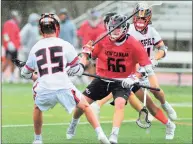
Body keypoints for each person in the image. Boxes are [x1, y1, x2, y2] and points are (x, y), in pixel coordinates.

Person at [66, 14, 162, 144]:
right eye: (112, 28)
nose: (114, 31)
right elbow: (92, 57)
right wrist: (86, 53)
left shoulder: (134, 43)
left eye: (117, 28)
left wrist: (134, 77)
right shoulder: (103, 39)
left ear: (125, 29)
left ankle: (114, 136)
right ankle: (73, 123)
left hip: (122, 81)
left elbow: (146, 66)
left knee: (120, 104)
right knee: (82, 105)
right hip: (102, 79)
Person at [90, 2, 177, 140]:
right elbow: (113, 45)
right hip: (131, 71)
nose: (140, 21)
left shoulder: (152, 31)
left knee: (155, 89)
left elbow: (163, 50)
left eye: (143, 19)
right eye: (138, 18)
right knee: (148, 104)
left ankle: (166, 105)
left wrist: (154, 59)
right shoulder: (127, 30)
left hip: (146, 67)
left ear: (148, 18)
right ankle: (169, 124)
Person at [20, 13, 110, 144]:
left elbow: (25, 74)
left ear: (41, 30)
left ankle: (38, 140)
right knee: (85, 106)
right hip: (63, 86)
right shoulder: (65, 45)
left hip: (44, 88)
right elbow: (78, 70)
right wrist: (85, 55)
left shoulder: (35, 48)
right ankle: (101, 134)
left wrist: (32, 74)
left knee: (37, 108)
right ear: (56, 28)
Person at [77, 9, 106, 81]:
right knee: (89, 64)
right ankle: (91, 80)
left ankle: (98, 79)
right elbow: (79, 36)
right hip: (88, 49)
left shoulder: (103, 25)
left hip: (100, 50)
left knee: (98, 65)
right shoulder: (84, 25)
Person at [2, 10, 22, 83]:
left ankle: (12, 76)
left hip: (15, 47)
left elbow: (17, 36)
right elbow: (5, 34)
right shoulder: (8, 23)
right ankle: (1, 75)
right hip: (9, 46)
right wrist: (8, 43)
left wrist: (17, 45)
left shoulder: (15, 25)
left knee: (14, 62)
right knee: (7, 61)